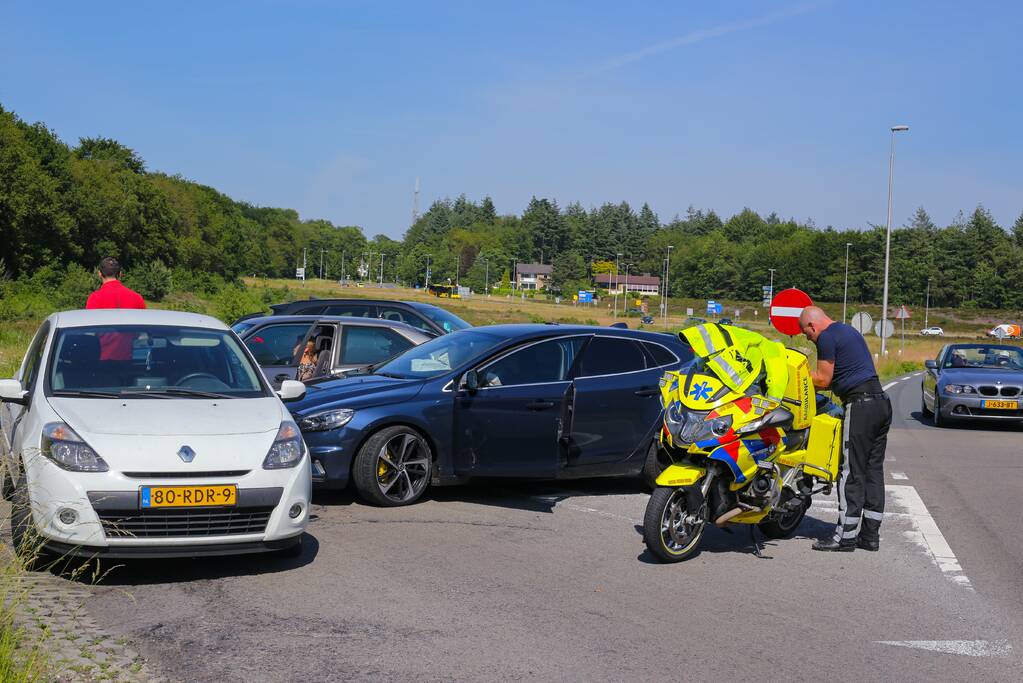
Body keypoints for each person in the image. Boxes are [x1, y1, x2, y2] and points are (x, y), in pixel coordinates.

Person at [799, 306, 891, 552]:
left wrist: (797, 378)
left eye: (807, 334)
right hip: (881, 403)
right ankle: (870, 537)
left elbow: (823, 379)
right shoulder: (848, 331)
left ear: (812, 326)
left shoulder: (827, 336)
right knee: (873, 472)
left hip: (860, 406)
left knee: (851, 471)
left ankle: (844, 537)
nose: (809, 338)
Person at [681, 322, 788, 408]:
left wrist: (771, 405)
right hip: (729, 391)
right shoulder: (725, 338)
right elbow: (703, 363)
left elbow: (778, 378)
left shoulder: (774, 350)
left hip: (739, 392)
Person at [85, 256, 146, 361]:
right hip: (129, 361)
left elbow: (89, 331)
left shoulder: (94, 298)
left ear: (99, 273)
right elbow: (143, 332)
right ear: (120, 274)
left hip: (102, 360)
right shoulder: (136, 297)